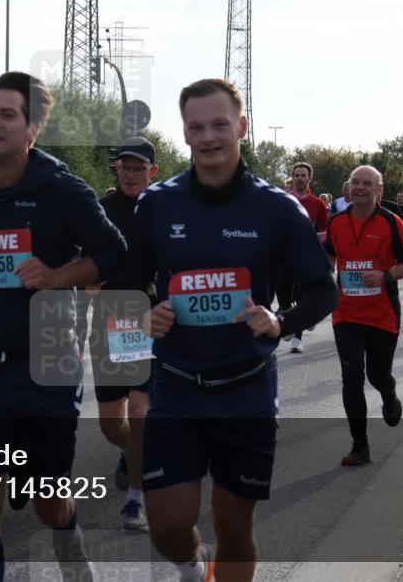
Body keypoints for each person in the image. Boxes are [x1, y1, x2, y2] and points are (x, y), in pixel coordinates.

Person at [125, 79, 338, 581]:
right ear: (184, 133)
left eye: (220, 125)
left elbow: (322, 290)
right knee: (168, 528)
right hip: (176, 386)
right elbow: (130, 281)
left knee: (234, 526)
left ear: (241, 126)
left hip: (245, 390)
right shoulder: (157, 203)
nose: (209, 137)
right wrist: (147, 312)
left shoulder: (276, 208)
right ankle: (193, 568)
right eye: (197, 127)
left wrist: (281, 322)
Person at [0, 71, 127, 582]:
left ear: (33, 128)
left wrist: (58, 276)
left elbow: (113, 254)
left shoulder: (64, 191)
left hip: (48, 363)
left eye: (7, 115)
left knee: (47, 502)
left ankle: (73, 557)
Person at [86, 135, 159, 532]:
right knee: (112, 425)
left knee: (141, 409)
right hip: (107, 317)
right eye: (124, 167)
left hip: (147, 317)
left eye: (138, 168)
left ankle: (136, 501)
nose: (130, 174)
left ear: (153, 171)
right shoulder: (100, 207)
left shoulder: (162, 207)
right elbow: (81, 252)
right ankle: (134, 454)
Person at [325, 166, 403, 466]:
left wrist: (386, 276)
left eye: (367, 183)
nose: (360, 187)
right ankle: (360, 445)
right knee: (351, 376)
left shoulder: (390, 222)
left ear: (379, 190)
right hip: (346, 313)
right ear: (349, 187)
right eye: (356, 182)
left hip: (382, 314)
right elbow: (329, 255)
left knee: (377, 375)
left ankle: (389, 394)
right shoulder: (337, 221)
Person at [277, 161, 328, 353]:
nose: (299, 178)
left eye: (303, 175)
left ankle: (297, 336)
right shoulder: (282, 200)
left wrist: (322, 236)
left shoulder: (318, 204)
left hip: (305, 256)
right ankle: (290, 319)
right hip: (283, 256)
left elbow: (325, 228)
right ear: (293, 178)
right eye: (296, 175)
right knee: (282, 292)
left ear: (309, 178)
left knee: (301, 295)